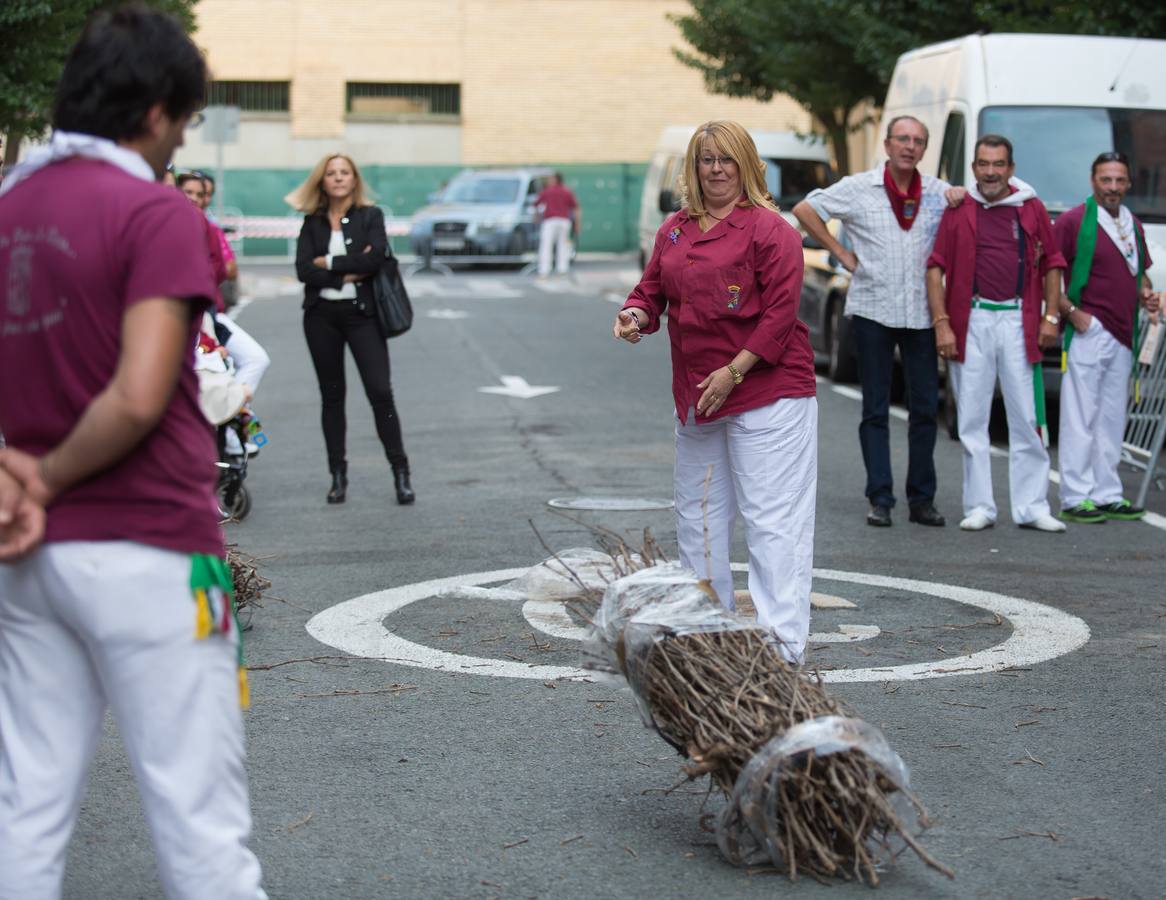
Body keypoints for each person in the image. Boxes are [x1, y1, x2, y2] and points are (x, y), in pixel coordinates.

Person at [0, 6, 266, 899]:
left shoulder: (9, 206)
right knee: (201, 823)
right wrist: (50, 472)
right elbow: (141, 393)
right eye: (184, 122)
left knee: (24, 810)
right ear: (154, 110)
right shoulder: (154, 215)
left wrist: (15, 473)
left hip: (25, 555)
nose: (178, 142)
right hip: (151, 545)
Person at [613, 120, 817, 662]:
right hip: (700, 397)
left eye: (728, 159)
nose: (717, 169)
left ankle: (783, 650)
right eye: (707, 160)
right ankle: (709, 638)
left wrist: (735, 372)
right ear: (694, 168)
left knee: (773, 523)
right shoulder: (675, 229)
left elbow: (779, 317)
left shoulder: (772, 230)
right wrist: (635, 313)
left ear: (747, 165)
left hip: (766, 392)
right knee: (697, 518)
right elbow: (651, 289)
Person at [793, 116, 950, 528]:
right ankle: (880, 497)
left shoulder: (936, 193)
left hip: (919, 314)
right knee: (875, 408)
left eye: (918, 140)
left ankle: (922, 498)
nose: (909, 146)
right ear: (887, 143)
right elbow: (806, 209)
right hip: (872, 309)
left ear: (924, 148)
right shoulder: (859, 187)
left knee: (924, 409)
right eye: (903, 138)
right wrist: (840, 254)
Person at [925, 134, 1067, 532]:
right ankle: (980, 506)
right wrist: (942, 323)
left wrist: (1051, 316)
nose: (991, 172)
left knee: (1027, 416)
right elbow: (935, 267)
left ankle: (1033, 506)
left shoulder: (1030, 206)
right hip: (972, 321)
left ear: (1011, 168)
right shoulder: (960, 207)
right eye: (984, 164)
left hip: (1018, 322)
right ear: (973, 169)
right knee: (971, 419)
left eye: (999, 164)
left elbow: (1054, 262)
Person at [288, 153, 414, 505]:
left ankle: (401, 472)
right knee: (332, 396)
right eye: (331, 173)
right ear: (322, 181)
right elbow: (302, 270)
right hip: (321, 317)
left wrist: (327, 263)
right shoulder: (312, 222)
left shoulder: (370, 216)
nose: (338, 178)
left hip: (363, 316)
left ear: (355, 179)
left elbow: (375, 261)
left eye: (345, 172)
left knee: (380, 391)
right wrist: (349, 269)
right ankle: (338, 476)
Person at [1054, 151, 1161, 523]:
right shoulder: (1073, 221)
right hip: (1089, 330)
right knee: (1079, 417)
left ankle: (1107, 492)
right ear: (1092, 180)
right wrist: (1072, 313)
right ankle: (1074, 495)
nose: (1113, 187)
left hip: (1123, 332)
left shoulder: (1132, 223)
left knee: (1112, 417)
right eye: (1106, 180)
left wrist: (1146, 294)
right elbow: (1047, 274)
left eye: (1119, 181)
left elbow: (1140, 275)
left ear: (1128, 183)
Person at [535, 172, 580, 276]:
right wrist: (577, 223)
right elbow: (576, 207)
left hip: (550, 221)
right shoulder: (567, 191)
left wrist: (537, 217)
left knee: (546, 245)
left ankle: (544, 269)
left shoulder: (547, 191)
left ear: (556, 179)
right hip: (564, 221)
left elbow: (536, 203)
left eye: (551, 179)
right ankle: (562, 269)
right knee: (563, 245)